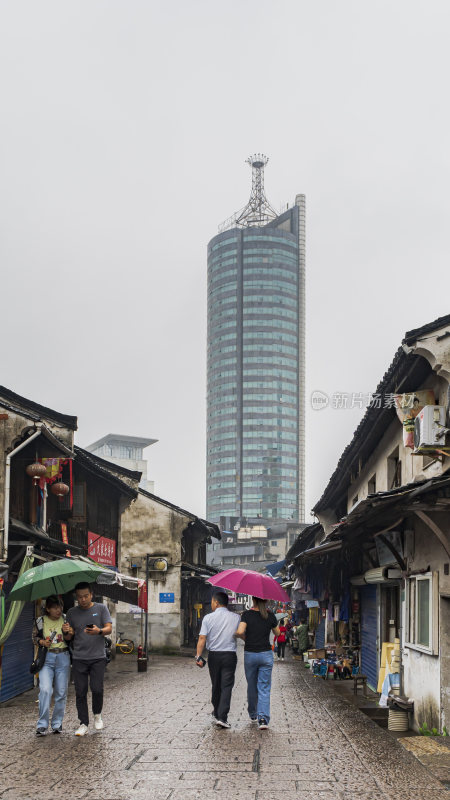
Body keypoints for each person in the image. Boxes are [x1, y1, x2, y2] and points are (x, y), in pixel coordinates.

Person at [65, 582, 112, 736]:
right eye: (79, 597)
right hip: (79, 658)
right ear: (76, 597)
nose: (83, 599)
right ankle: (83, 723)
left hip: (98, 657)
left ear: (91, 594)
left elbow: (108, 628)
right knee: (80, 691)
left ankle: (97, 714)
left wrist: (99, 631)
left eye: (85, 596)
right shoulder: (71, 612)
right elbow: (69, 636)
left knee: (97, 688)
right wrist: (66, 631)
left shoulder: (101, 608)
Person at [195, 591, 240, 729]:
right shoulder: (236, 617)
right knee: (226, 686)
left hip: (214, 656)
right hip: (229, 656)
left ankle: (217, 711)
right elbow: (240, 633)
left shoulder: (208, 618)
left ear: (216, 602)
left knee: (216, 684)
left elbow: (202, 638)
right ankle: (222, 716)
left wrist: (198, 656)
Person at [236, 597, 279, 730]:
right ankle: (263, 719)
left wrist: (246, 638)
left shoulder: (247, 615)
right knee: (264, 687)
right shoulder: (270, 615)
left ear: (253, 600)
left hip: (250, 654)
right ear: (266, 601)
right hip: (266, 654)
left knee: (252, 685)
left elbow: (240, 632)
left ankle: (253, 713)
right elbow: (277, 632)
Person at [32, 596, 72, 736]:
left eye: (60, 606)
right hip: (46, 659)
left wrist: (67, 632)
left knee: (61, 692)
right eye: (55, 607)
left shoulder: (66, 619)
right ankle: (42, 724)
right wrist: (42, 642)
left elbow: (71, 637)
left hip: (63, 657)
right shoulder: (40, 621)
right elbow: (34, 637)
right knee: (45, 690)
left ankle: (57, 724)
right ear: (48, 608)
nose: (58, 610)